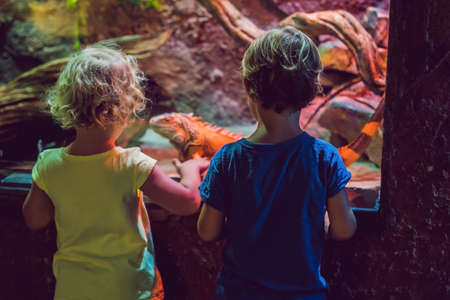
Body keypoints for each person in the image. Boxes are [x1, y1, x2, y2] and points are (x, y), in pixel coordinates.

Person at [22, 43, 209, 300]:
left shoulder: (47, 163)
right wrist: (190, 169)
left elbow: (34, 219)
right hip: (130, 291)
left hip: (73, 291)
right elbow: (188, 203)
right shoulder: (131, 163)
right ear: (123, 107)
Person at [197, 25, 357, 300]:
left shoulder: (227, 159)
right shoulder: (324, 157)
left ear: (249, 87)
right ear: (311, 92)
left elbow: (207, 231)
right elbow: (344, 230)